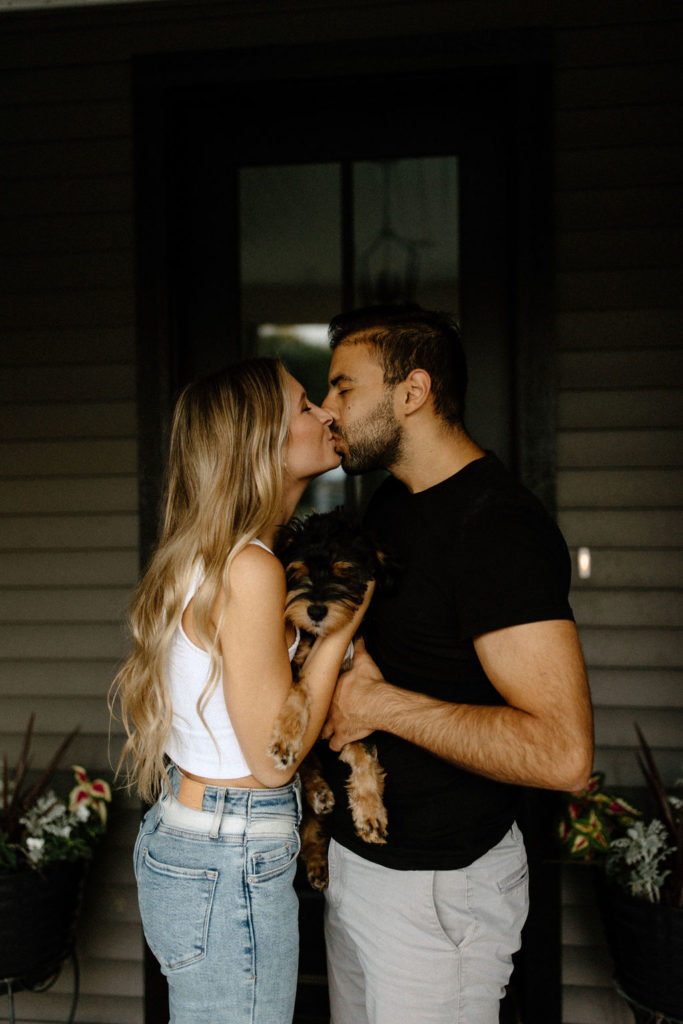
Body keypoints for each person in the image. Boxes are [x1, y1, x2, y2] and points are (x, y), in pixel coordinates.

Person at [318, 304, 594, 1024]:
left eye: (345, 388)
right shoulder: (389, 505)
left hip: (440, 891)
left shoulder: (497, 528)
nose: (328, 408)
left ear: (411, 392)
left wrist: (379, 707)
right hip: (362, 864)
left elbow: (562, 754)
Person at [109, 358, 373, 1024]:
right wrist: (344, 627)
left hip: (191, 833)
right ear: (262, 442)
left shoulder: (208, 550)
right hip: (228, 852)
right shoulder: (250, 568)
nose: (326, 414)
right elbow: (272, 759)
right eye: (305, 406)